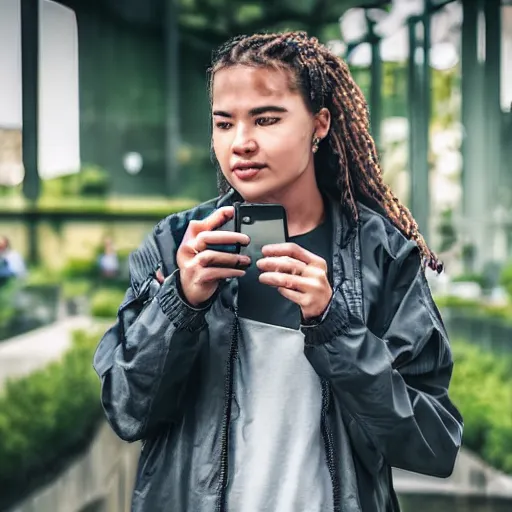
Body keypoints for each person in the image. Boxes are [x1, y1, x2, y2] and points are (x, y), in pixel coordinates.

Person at [93, 31, 463, 512]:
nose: (241, 143)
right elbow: (127, 410)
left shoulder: (382, 256)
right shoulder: (176, 244)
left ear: (320, 124)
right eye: (224, 124)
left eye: (266, 119)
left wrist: (334, 327)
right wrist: (180, 303)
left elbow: (434, 443)